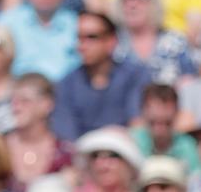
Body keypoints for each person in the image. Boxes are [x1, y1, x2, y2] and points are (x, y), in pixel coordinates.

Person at [50, 11, 153, 142]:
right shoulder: (66, 85)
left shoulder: (135, 76)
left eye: (91, 37)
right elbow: (67, 138)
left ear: (111, 41)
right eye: (79, 37)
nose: (82, 45)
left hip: (127, 151)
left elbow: (138, 127)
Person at [130, 84, 201, 174]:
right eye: (154, 121)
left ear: (177, 112)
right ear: (143, 111)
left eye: (166, 122)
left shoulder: (189, 146)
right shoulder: (131, 143)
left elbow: (197, 180)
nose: (160, 113)